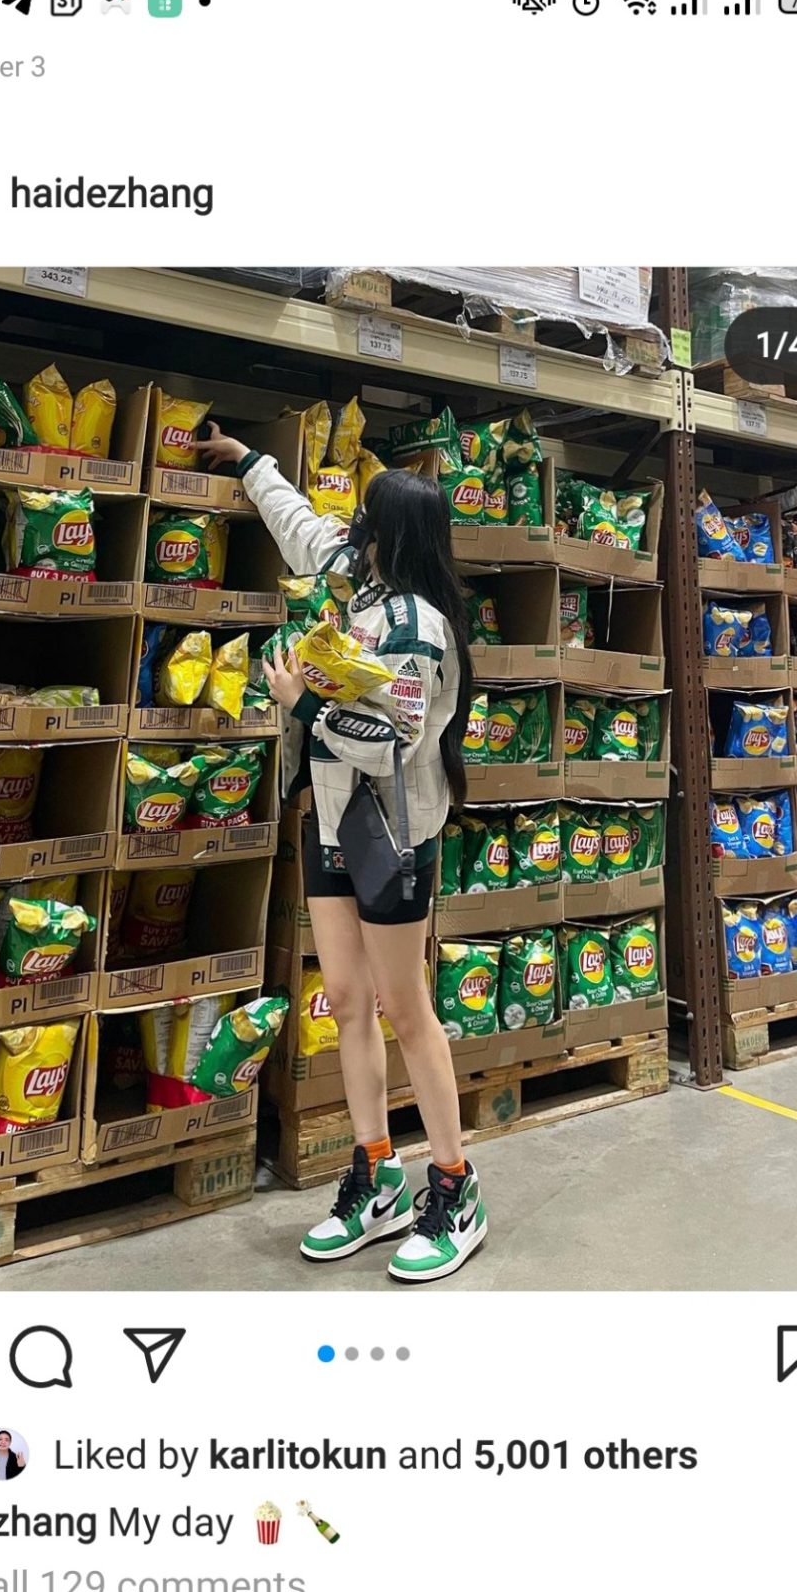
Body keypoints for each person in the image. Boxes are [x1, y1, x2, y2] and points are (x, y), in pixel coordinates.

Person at [194, 423, 488, 1284]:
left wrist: (302, 704)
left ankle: (456, 1185)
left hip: (392, 830)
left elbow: (394, 739)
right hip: (327, 822)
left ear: (393, 532)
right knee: (350, 999)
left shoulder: (419, 627)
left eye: (366, 516)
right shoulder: (352, 582)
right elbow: (300, 525)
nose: (352, 525)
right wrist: (249, 461)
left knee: (405, 1006)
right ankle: (376, 1173)